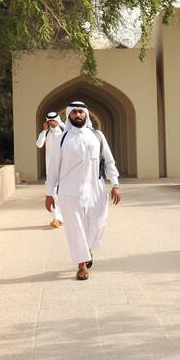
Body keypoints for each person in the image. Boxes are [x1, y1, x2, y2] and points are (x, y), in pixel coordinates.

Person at [45, 101, 121, 280]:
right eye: (74, 113)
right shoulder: (62, 138)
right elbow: (53, 168)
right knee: (76, 227)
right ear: (69, 115)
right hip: (69, 190)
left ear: (86, 114)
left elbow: (109, 161)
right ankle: (81, 265)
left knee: (97, 223)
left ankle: (88, 250)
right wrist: (49, 193)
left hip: (96, 188)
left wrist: (115, 185)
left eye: (81, 112)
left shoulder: (97, 135)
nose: (78, 115)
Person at [36, 111, 65, 228]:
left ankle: (62, 217)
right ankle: (56, 218)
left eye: (53, 120)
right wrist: (44, 130)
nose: (52, 122)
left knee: (62, 192)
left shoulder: (64, 132)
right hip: (50, 167)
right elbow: (39, 144)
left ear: (57, 120)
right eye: (49, 121)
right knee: (52, 192)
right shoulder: (46, 133)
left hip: (64, 166)